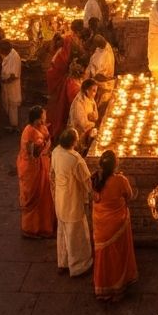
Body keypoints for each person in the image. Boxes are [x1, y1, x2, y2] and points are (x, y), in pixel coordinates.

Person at [91, 149, 138, 302]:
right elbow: (129, 196)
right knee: (117, 256)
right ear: (115, 165)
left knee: (103, 257)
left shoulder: (95, 178)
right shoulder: (120, 180)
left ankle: (103, 287)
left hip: (100, 224)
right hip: (117, 224)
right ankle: (118, 289)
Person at [51, 127, 93, 276]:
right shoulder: (75, 159)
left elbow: (52, 174)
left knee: (63, 231)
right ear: (74, 142)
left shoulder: (56, 152)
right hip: (73, 201)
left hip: (60, 199)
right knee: (76, 234)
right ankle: (78, 266)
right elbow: (87, 183)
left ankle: (63, 262)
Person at [17, 105, 55, 238]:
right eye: (43, 117)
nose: (45, 118)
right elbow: (34, 153)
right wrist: (44, 143)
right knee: (36, 198)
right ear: (37, 120)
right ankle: (31, 229)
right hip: (32, 170)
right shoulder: (29, 132)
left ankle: (45, 225)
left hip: (43, 166)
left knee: (45, 195)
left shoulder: (41, 127)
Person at [68, 77, 100, 153]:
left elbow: (96, 114)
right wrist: (92, 123)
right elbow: (82, 124)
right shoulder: (78, 103)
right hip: (79, 134)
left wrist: (94, 116)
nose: (95, 93)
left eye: (96, 91)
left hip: (89, 130)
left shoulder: (90, 98)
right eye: (93, 90)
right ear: (87, 90)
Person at [0, 40, 22, 130]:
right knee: (8, 105)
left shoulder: (14, 57)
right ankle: (11, 124)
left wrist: (4, 81)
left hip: (12, 86)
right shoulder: (8, 54)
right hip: (7, 85)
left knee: (13, 107)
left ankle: (14, 126)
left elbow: (14, 75)